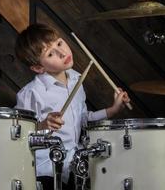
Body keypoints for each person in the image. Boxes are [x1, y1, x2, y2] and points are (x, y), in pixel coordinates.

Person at [14, 23, 130, 190]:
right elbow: (19, 135)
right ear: (38, 67)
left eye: (60, 43)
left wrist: (113, 110)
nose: (62, 53)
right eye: (51, 53)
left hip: (73, 163)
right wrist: (43, 125)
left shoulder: (76, 79)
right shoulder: (31, 93)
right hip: (45, 171)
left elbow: (83, 119)